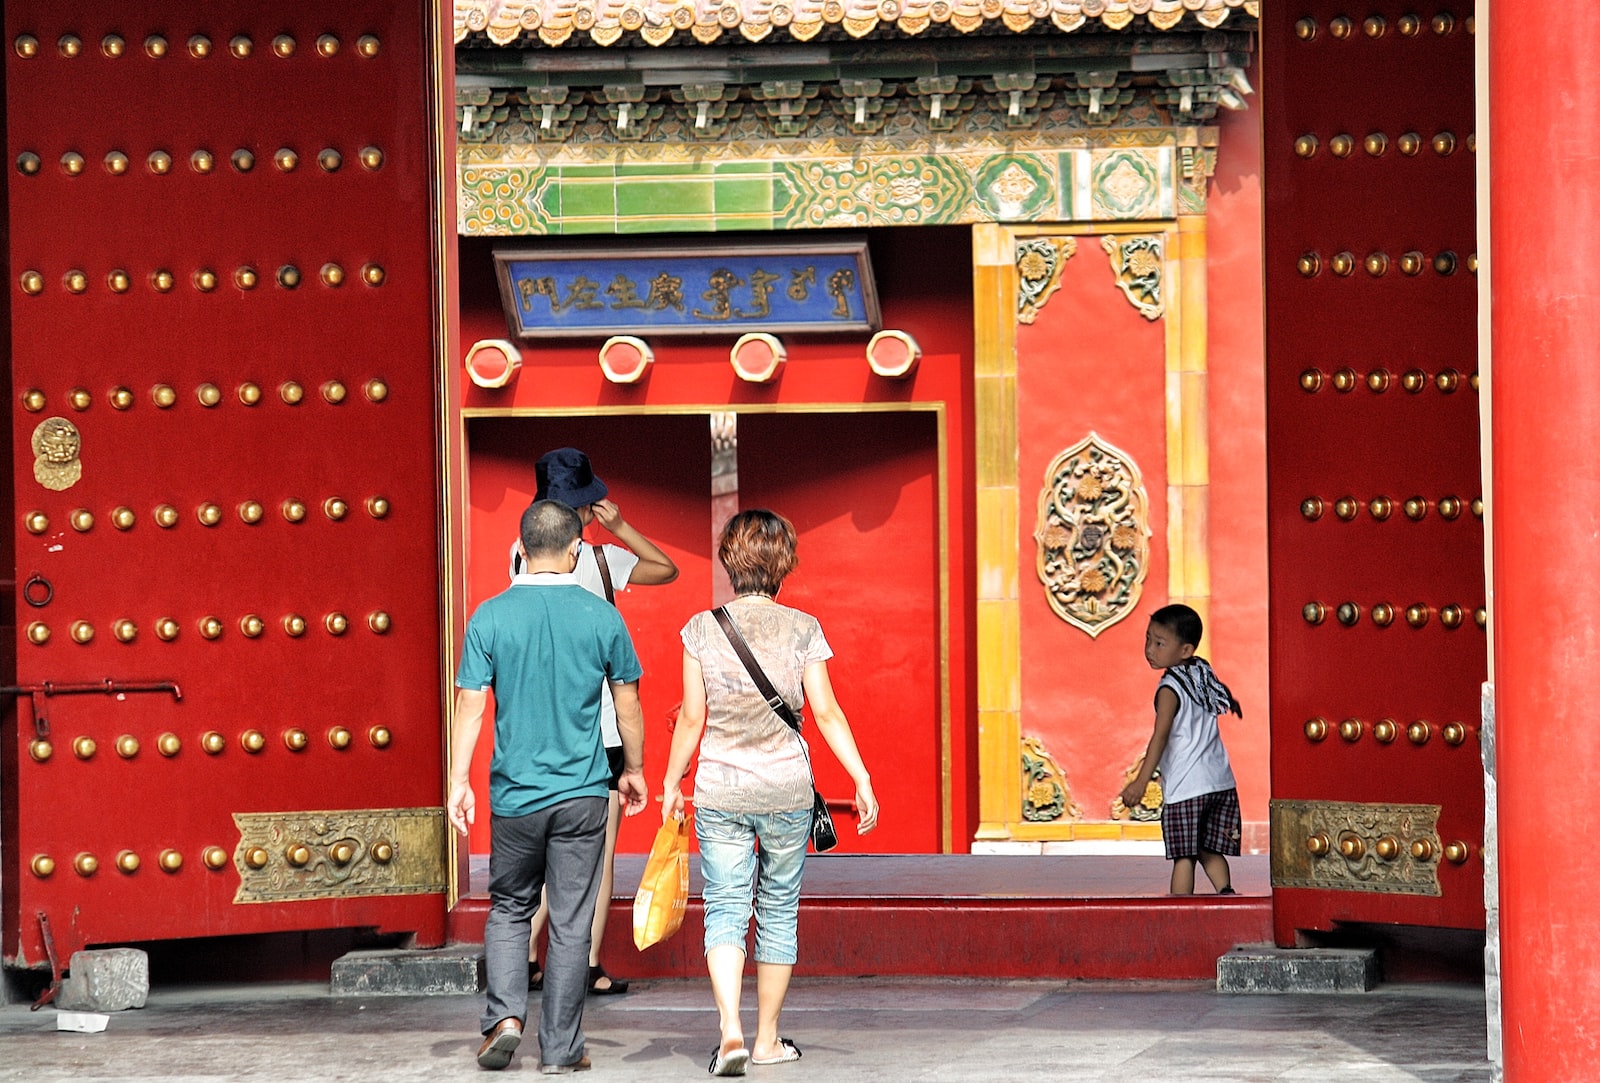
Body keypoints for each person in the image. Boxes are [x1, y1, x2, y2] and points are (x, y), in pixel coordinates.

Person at [661, 509, 879, 1077]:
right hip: (786, 791)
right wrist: (860, 776)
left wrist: (669, 780)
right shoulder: (804, 628)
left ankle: (729, 1030)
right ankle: (766, 1041)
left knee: (725, 909)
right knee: (778, 910)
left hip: (720, 790)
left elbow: (690, 717)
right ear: (784, 564)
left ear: (729, 562)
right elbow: (826, 712)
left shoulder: (701, 629)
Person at [447, 500, 649, 1073]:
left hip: (514, 796)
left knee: (510, 908)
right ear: (576, 551)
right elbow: (627, 703)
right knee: (569, 920)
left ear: (520, 548)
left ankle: (505, 1019)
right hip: (584, 793)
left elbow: (470, 706)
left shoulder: (489, 615)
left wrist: (460, 779)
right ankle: (560, 1050)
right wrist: (632, 770)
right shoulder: (602, 616)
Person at [512, 447, 680, 997]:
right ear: (583, 511)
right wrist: (624, 527)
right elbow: (666, 569)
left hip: (538, 725)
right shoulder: (603, 560)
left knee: (539, 850)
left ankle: (525, 961)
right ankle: (583, 964)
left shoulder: (520, 558)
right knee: (597, 852)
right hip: (602, 729)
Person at [1119, 603, 1243, 896]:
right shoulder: (1201, 672)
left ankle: (1180, 910)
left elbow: (1160, 737)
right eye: (1148, 639)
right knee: (1209, 848)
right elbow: (1224, 696)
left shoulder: (1169, 689)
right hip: (1220, 782)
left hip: (1187, 786)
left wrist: (1140, 782)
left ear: (1185, 650)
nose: (1150, 649)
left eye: (1160, 643)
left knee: (1184, 856)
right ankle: (1225, 894)